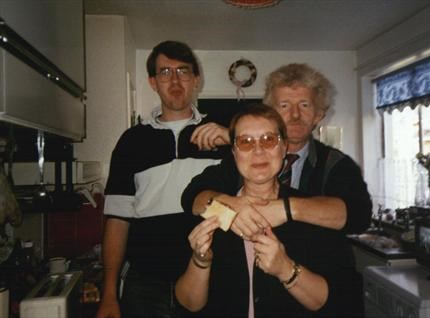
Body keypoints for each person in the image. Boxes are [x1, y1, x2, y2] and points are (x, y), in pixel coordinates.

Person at [182, 63, 372, 316]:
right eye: (246, 143)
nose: (294, 115)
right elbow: (192, 196)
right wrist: (227, 206)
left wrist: (286, 210)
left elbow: (358, 215)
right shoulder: (227, 182)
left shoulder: (334, 169)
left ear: (319, 115)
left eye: (304, 105)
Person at [96, 41, 229, 318]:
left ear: (196, 80)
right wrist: (109, 294)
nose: (176, 80)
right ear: (153, 82)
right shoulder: (132, 141)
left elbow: (261, 177)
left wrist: (232, 138)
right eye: (165, 72)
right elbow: (118, 221)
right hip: (146, 285)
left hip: (211, 277)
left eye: (183, 71)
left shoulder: (221, 133)